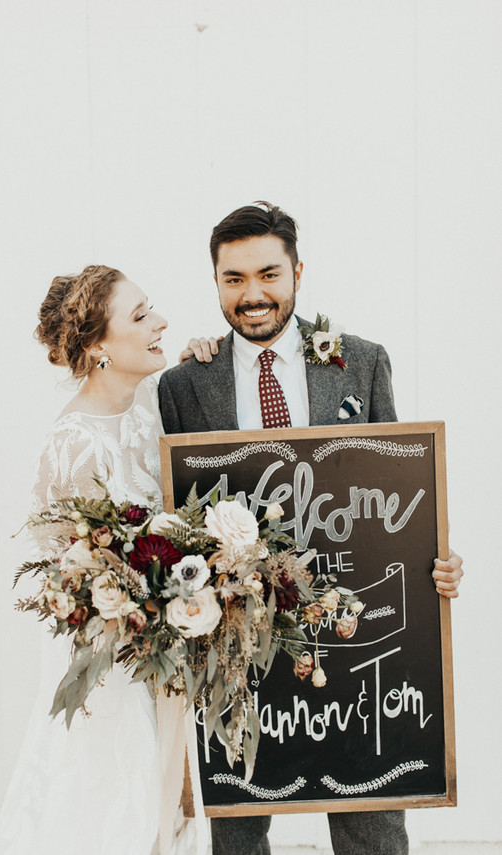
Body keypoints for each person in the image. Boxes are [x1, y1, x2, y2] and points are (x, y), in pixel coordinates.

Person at [158, 202, 464, 855]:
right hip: (234, 630)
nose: (252, 294)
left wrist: (431, 557)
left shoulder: (360, 360)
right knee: (238, 814)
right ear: (214, 281)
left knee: (370, 812)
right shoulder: (185, 383)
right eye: (232, 278)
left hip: (352, 621)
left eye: (268, 273)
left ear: (298, 270)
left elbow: (401, 490)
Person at [0, 265, 208, 855]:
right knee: (114, 803)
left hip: (162, 648)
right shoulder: (75, 441)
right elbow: (67, 570)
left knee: (166, 798)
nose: (160, 321)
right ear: (98, 346)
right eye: (139, 317)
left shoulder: (143, 410)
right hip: (110, 660)